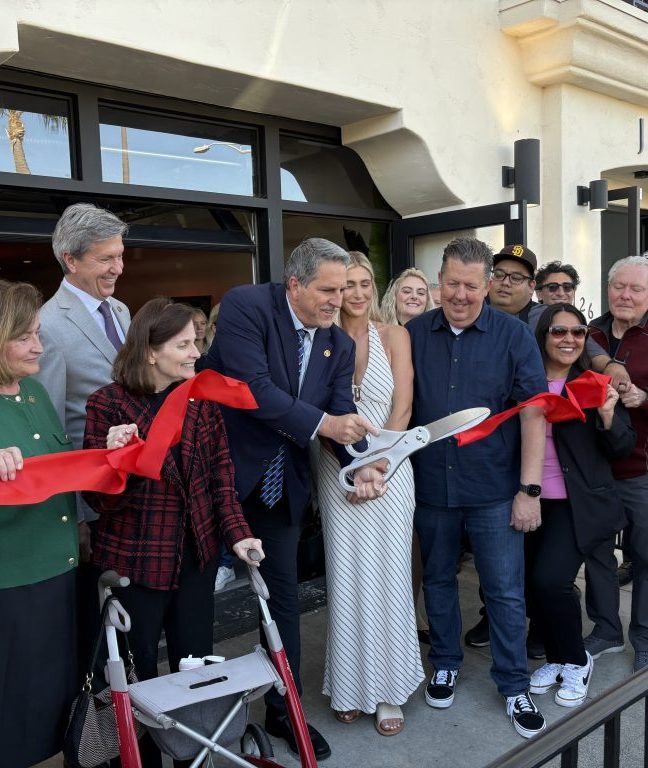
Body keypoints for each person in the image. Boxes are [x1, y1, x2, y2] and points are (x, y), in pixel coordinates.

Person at [205, 237, 386, 761]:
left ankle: (285, 711)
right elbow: (253, 389)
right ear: (294, 285)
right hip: (217, 478)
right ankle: (191, 721)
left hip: (281, 487)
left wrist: (361, 462)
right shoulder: (247, 306)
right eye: (327, 290)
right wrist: (327, 424)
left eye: (343, 289)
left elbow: (341, 415)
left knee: (281, 600)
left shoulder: (339, 345)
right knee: (195, 603)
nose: (338, 300)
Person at [83, 298, 264, 768]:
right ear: (150, 351)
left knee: (195, 671)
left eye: (195, 342)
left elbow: (221, 477)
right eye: (183, 345)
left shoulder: (201, 399)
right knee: (136, 677)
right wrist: (117, 461)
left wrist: (238, 535)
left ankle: (193, 758)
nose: (195, 353)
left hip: (195, 559)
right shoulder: (107, 404)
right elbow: (100, 503)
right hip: (135, 565)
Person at [408, 237, 548, 739]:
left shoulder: (514, 335)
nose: (460, 295)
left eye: (470, 285)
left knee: (505, 592)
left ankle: (513, 684)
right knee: (438, 581)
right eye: (452, 284)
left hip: (494, 487)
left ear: (487, 285)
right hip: (430, 485)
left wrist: (529, 490)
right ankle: (445, 662)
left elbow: (534, 413)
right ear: (438, 282)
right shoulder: (413, 333)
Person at [317, 252, 424, 736]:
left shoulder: (394, 335)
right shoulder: (319, 339)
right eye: (347, 285)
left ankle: (389, 691)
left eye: (364, 283)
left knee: (391, 577)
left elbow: (403, 406)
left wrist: (378, 462)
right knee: (346, 577)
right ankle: (349, 685)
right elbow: (316, 413)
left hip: (391, 467)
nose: (356, 293)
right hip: (335, 470)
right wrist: (352, 465)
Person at [35, 202, 130, 673]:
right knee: (95, 630)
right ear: (70, 259)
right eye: (105, 259)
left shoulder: (121, 309)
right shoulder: (48, 325)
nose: (118, 268)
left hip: (130, 491)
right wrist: (75, 516)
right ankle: (99, 713)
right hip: (90, 502)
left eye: (120, 255)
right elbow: (52, 428)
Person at [527, 304, 634, 707]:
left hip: (576, 503)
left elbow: (622, 447)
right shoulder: (524, 382)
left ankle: (575, 660)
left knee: (550, 581)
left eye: (578, 332)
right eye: (559, 331)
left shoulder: (592, 384)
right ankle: (557, 657)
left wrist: (607, 416)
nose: (569, 339)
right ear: (543, 336)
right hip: (528, 498)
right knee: (531, 585)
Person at [0, 280, 78, 767]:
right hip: (12, 580)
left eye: (38, 334)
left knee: (50, 704)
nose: (38, 347)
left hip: (58, 568)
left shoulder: (32, 391)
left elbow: (58, 464)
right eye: (24, 337)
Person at [583, 255, 648, 672]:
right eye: (618, 286)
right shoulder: (590, 333)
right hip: (594, 468)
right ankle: (607, 630)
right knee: (598, 554)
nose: (625, 295)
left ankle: (644, 637)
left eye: (636, 289)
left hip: (641, 469)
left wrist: (645, 398)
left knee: (645, 556)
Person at [380, 267, 434, 642]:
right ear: (393, 297)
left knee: (420, 538)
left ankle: (414, 613)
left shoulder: (431, 336)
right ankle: (395, 614)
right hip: (386, 443)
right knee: (396, 540)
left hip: (423, 444)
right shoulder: (379, 334)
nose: (414, 296)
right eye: (406, 290)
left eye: (420, 292)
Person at [488, 244, 538, 322]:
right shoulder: (472, 311)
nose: (505, 282)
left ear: (531, 286)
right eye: (498, 275)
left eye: (516, 278)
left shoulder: (545, 319)